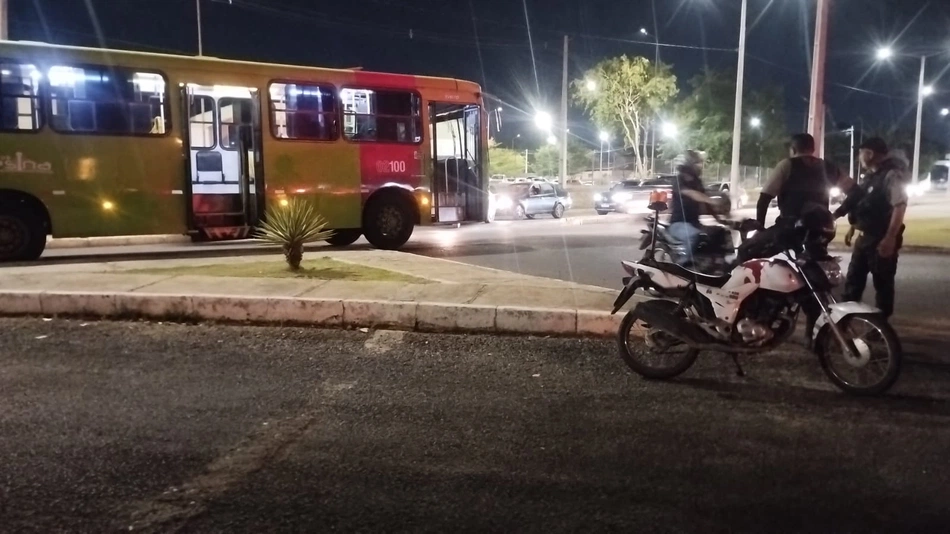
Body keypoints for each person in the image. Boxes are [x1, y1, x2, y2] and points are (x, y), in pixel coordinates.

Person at [834, 137, 908, 319]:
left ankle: (881, 331)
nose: (859, 156)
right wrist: (853, 228)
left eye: (861, 152)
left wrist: (890, 237)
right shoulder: (871, 177)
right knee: (852, 283)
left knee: (882, 286)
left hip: (880, 238)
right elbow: (864, 204)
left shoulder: (891, 175)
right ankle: (843, 327)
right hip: (864, 238)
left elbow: (900, 205)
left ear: (870, 154)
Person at [755, 133, 852, 228]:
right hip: (819, 230)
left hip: (790, 229)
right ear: (813, 149)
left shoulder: (787, 165)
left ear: (793, 150)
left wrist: (759, 227)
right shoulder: (828, 167)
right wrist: (835, 215)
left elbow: (764, 199)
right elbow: (856, 193)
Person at [667, 150, 727, 266]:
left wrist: (719, 220)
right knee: (694, 235)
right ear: (687, 164)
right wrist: (712, 200)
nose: (700, 166)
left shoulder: (697, 182)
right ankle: (683, 265)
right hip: (678, 224)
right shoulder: (678, 180)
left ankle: (715, 263)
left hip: (695, 223)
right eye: (697, 163)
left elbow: (706, 203)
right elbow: (692, 194)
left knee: (720, 232)